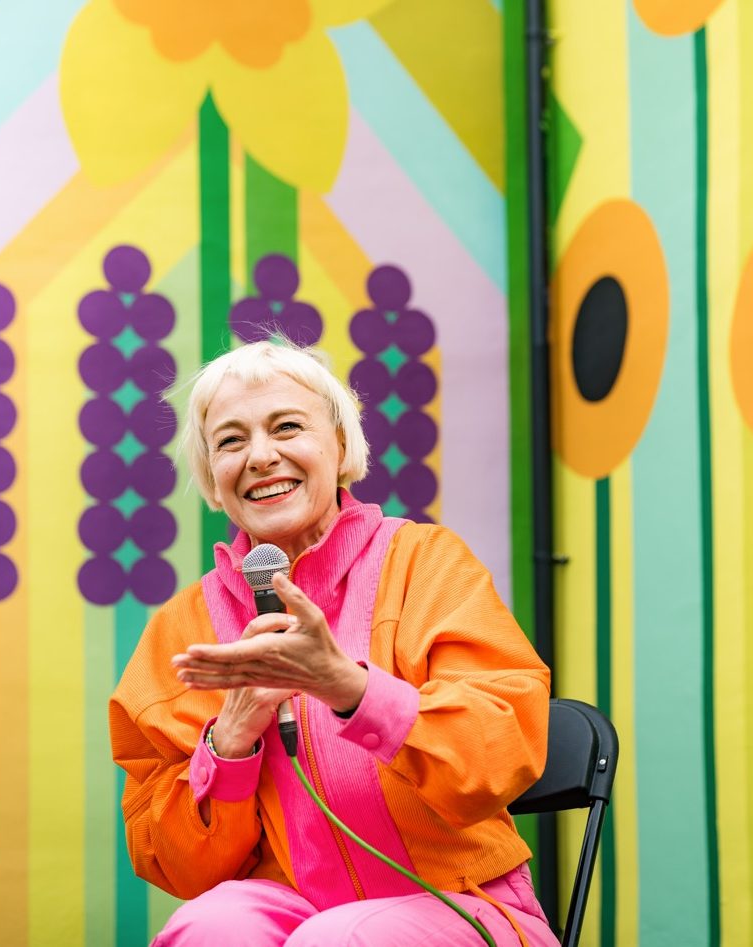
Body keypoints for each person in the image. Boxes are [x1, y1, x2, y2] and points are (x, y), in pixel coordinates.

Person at [110, 340, 559, 946]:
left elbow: (498, 755)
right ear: (212, 479)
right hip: (293, 907)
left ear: (342, 446)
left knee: (337, 939)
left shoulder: (425, 562)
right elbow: (179, 867)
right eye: (231, 441)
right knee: (209, 927)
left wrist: (351, 688)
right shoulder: (180, 627)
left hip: (459, 906)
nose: (261, 456)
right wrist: (232, 738)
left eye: (287, 427)